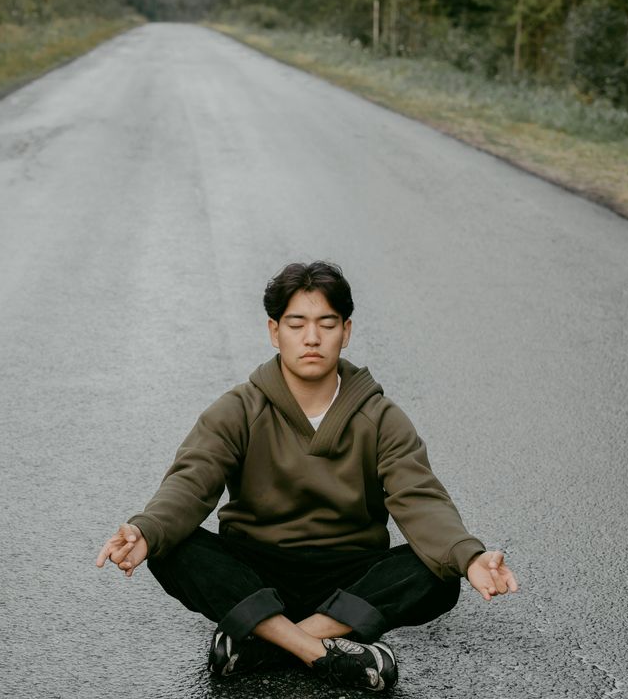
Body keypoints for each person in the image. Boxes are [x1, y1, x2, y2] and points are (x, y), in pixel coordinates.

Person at [95, 261, 518, 691]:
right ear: (274, 331)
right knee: (170, 546)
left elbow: (420, 497)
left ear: (346, 332)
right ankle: (325, 651)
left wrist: (469, 556)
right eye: (296, 324)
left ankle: (265, 640)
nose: (312, 338)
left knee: (439, 573)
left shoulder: (380, 417)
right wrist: (146, 530)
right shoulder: (239, 408)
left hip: (348, 572)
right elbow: (191, 481)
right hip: (258, 568)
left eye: (326, 324)